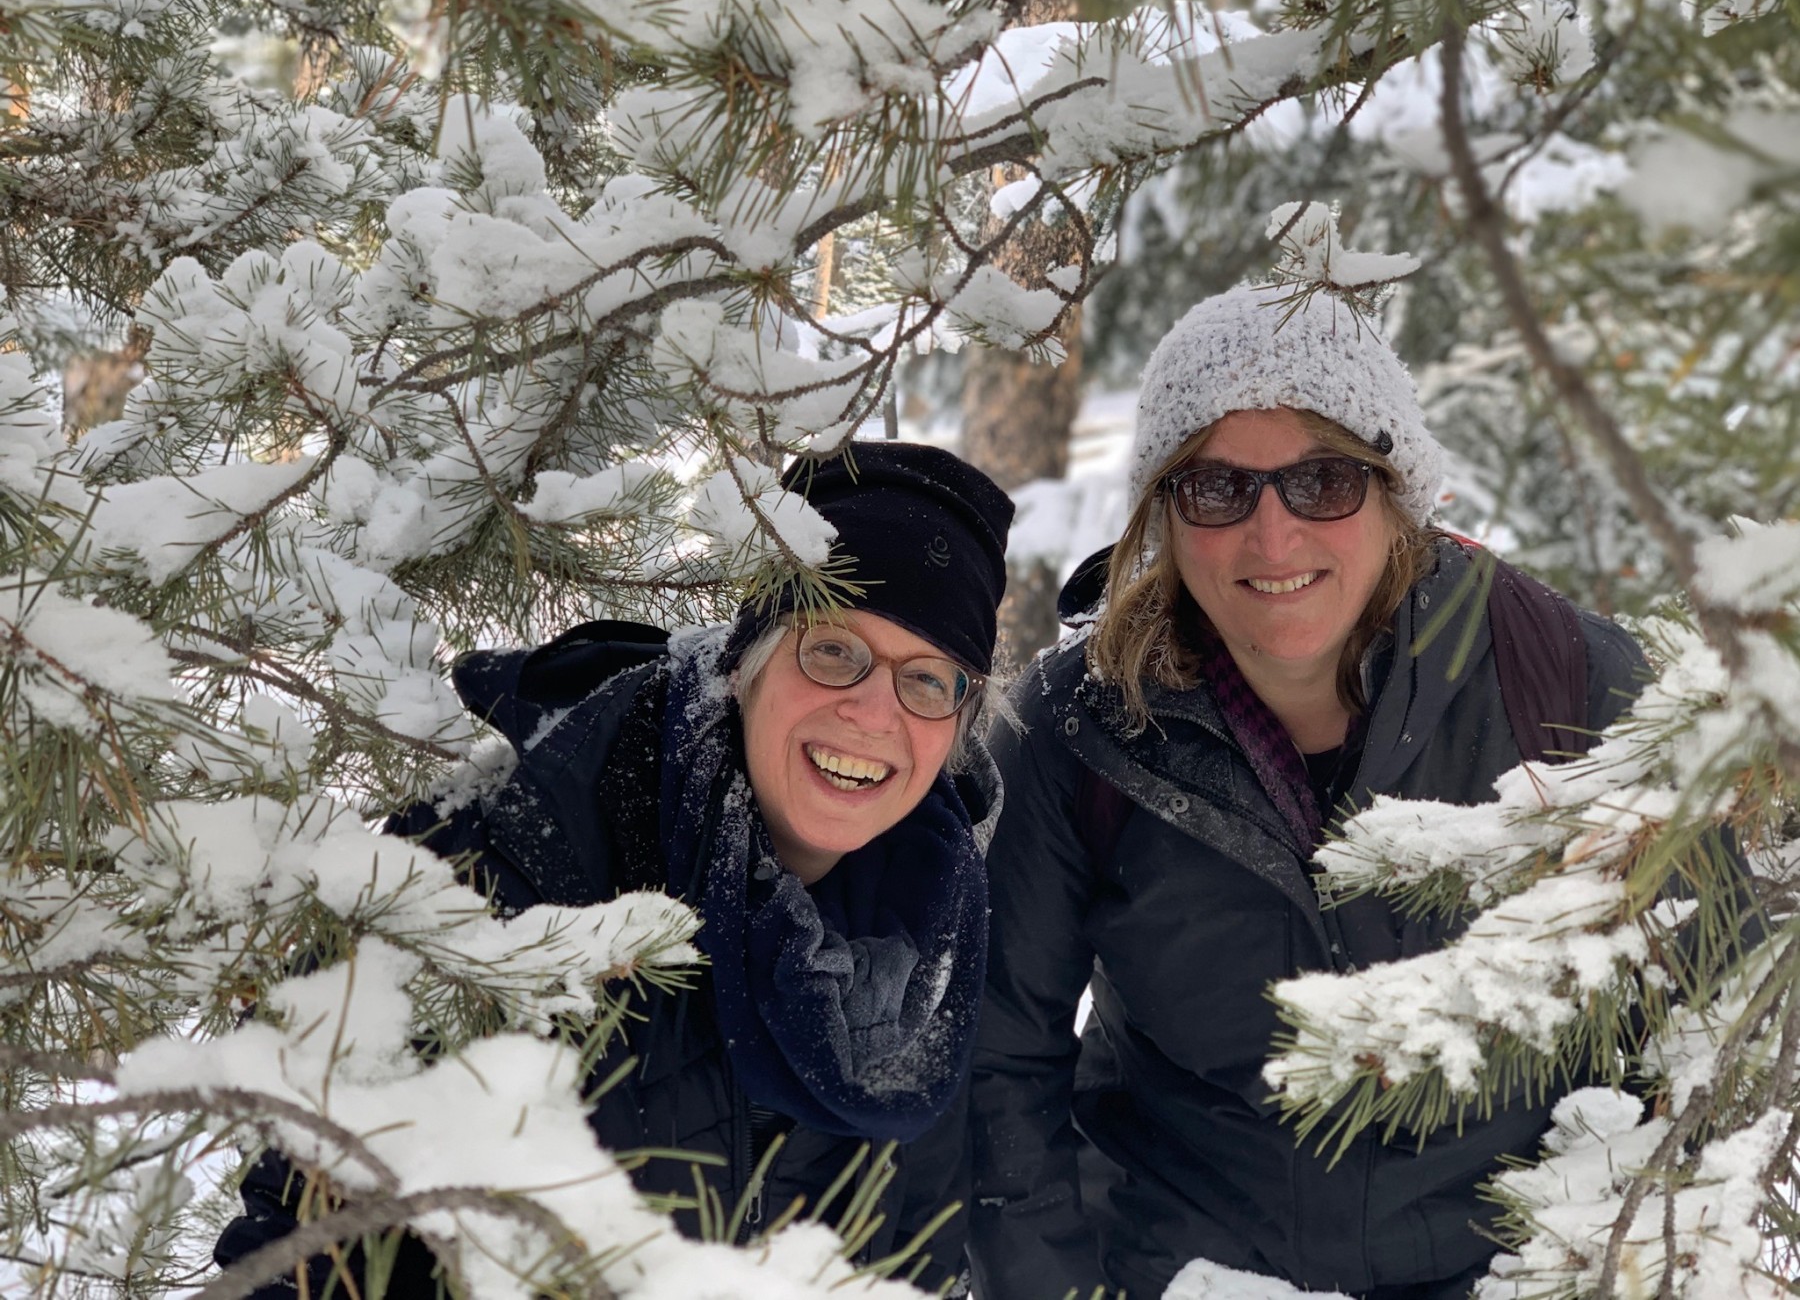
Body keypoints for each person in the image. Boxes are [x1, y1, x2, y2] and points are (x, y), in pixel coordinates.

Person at [966, 284, 1650, 1300]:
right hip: (1192, 1271)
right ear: (1165, 511)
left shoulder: (1564, 684)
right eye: (1217, 490)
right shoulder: (1081, 728)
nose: (1273, 539)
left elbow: (1693, 1024)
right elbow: (999, 1064)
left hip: (1513, 1271)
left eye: (1322, 482)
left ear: (1394, 490)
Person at [214, 441, 1014, 1297]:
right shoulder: (512, 853)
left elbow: (916, 1262)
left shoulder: (936, 920)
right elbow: (312, 1237)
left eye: (928, 680)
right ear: (750, 659)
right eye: (832, 650)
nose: (872, 712)